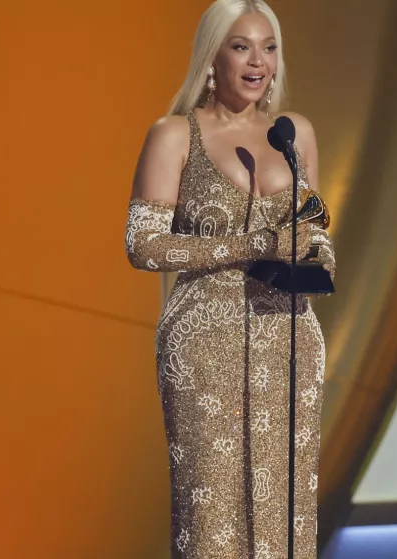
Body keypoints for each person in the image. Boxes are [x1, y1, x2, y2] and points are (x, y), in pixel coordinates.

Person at [124, 1, 334, 557]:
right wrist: (253, 245)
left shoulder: (295, 133)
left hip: (290, 339)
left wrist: (315, 254)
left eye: (269, 47)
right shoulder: (174, 135)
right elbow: (143, 245)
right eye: (241, 46)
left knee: (285, 512)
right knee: (211, 513)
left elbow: (320, 231)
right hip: (205, 344)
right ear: (212, 56)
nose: (257, 61)